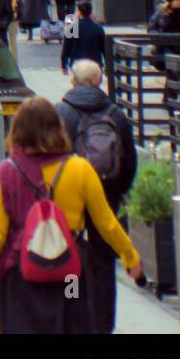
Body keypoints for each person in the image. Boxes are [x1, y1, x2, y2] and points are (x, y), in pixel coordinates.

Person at [0, 96, 142, 332]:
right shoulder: (79, 169)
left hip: (22, 273)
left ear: (17, 131)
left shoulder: (6, 173)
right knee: (74, 322)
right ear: (58, 128)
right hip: (70, 271)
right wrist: (130, 257)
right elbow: (106, 222)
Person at [56, 62, 138, 334]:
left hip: (70, 198)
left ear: (73, 81)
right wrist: (117, 190)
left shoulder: (62, 112)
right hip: (106, 193)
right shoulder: (115, 113)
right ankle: (103, 323)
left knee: (70, 257)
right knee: (103, 261)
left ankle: (73, 312)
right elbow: (129, 161)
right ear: (99, 80)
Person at [61, 0, 106, 73]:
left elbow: (67, 47)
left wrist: (64, 64)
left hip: (77, 65)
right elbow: (104, 49)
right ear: (91, 12)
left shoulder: (72, 26)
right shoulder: (97, 28)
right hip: (95, 65)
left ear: (79, 12)